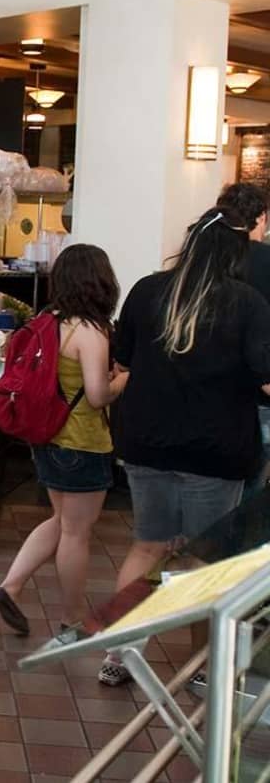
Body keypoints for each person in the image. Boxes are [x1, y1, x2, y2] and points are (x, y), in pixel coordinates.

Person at [99, 207, 270, 686]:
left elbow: (124, 361)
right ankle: (203, 669)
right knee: (203, 561)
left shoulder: (148, 291)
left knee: (147, 546)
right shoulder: (247, 303)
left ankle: (118, 652)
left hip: (146, 442)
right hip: (215, 452)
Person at [0, 245, 127, 640]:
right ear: (101, 281)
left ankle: (10, 587)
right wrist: (124, 378)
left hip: (46, 436)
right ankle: (72, 620)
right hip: (81, 441)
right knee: (76, 533)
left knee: (61, 521)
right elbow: (98, 395)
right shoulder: (92, 330)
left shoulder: (49, 320)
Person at [216, 182, 270, 495]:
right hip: (261, 391)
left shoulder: (207, 262)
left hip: (214, 393)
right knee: (254, 489)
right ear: (261, 217)